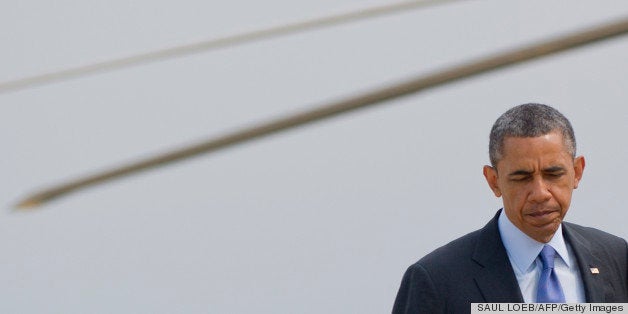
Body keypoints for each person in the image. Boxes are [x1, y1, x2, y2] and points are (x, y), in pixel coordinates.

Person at [392, 104, 627, 313]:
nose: (540, 193)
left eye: (553, 174)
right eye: (522, 178)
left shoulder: (616, 257)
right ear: (494, 181)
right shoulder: (437, 280)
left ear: (577, 172)